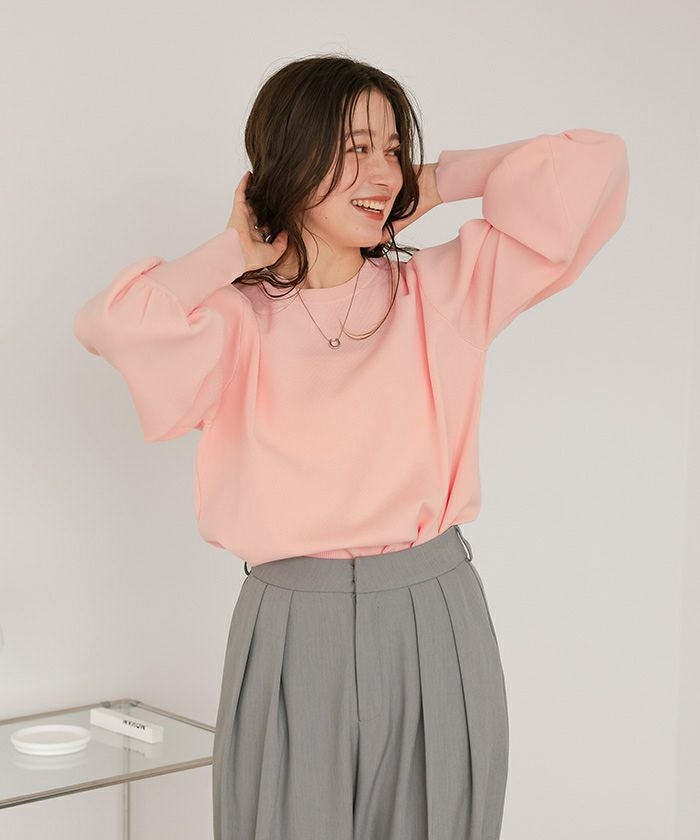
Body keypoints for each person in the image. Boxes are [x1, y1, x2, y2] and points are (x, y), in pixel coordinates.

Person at [73, 54, 630, 840]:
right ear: (292, 160)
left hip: (435, 613)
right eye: (354, 149)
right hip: (291, 625)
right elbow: (108, 322)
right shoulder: (234, 321)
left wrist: (436, 181)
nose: (381, 171)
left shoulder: (443, 290)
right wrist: (236, 248)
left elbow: (596, 162)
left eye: (392, 148)